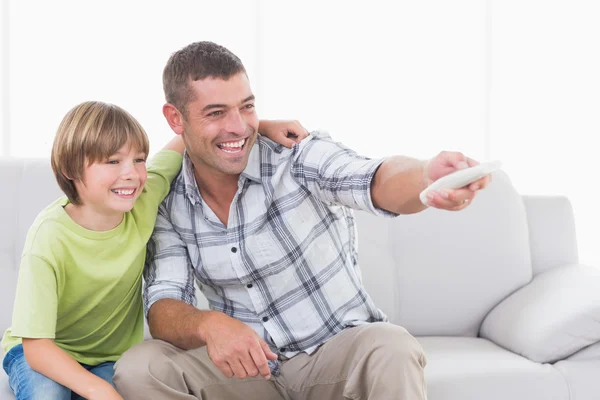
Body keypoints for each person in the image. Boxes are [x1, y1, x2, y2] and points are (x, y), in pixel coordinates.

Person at [113, 41, 491, 400]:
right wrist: (208, 325)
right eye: (216, 113)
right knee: (141, 367)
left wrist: (426, 175)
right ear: (175, 118)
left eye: (246, 107)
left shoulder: (295, 155)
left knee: (390, 345)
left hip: (332, 357)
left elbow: (370, 178)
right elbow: (163, 307)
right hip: (249, 373)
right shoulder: (167, 199)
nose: (239, 126)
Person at [1, 100, 307, 400]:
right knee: (47, 394)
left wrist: (262, 127)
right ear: (70, 168)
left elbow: (189, 136)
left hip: (108, 357)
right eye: (112, 161)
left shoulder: (144, 199)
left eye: (138, 159)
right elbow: (37, 347)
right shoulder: (49, 238)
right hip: (44, 352)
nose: (132, 174)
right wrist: (99, 390)